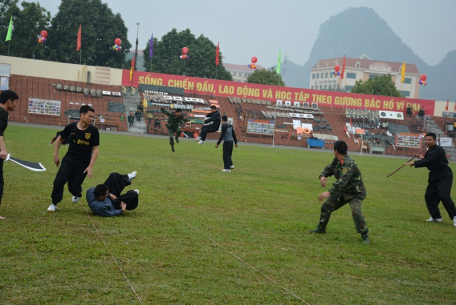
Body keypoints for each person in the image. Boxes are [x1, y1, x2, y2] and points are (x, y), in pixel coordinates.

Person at [311, 140, 370, 244]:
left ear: (336, 151)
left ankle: (364, 235)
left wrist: (328, 192)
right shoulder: (337, 160)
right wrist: (323, 175)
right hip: (343, 192)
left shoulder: (349, 163)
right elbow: (329, 168)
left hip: (355, 193)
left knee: (356, 211)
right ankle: (321, 228)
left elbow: (342, 182)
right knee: (326, 206)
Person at [47, 105, 99, 212]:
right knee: (59, 181)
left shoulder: (93, 131)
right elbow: (59, 139)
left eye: (93, 117)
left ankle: (77, 193)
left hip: (83, 163)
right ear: (82, 115)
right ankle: (54, 203)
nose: (91, 119)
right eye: (89, 116)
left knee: (73, 187)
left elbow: (95, 149)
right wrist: (56, 155)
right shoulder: (71, 127)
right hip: (69, 159)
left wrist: (90, 166)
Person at [405, 132, 456, 225]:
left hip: (444, 175)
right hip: (434, 176)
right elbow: (429, 161)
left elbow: (430, 160)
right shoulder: (429, 151)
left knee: (444, 196)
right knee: (429, 196)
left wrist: (415, 163)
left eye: (430, 140)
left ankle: (455, 216)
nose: (427, 141)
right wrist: (422, 158)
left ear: (435, 140)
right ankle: (436, 217)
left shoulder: (438, 149)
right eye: (426, 140)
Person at [0, 90, 19, 220]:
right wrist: (3, 150)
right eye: (15, 102)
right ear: (9, 102)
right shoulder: (3, 113)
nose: (16, 105)